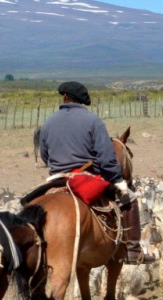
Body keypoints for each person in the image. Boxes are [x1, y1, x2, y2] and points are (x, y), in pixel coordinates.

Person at [37, 81, 155, 264]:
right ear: (81, 101)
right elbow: (107, 158)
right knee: (130, 198)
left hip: (56, 178)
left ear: (65, 97)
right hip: (85, 178)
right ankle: (133, 251)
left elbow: (45, 156)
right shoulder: (93, 121)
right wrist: (117, 179)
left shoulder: (48, 123)